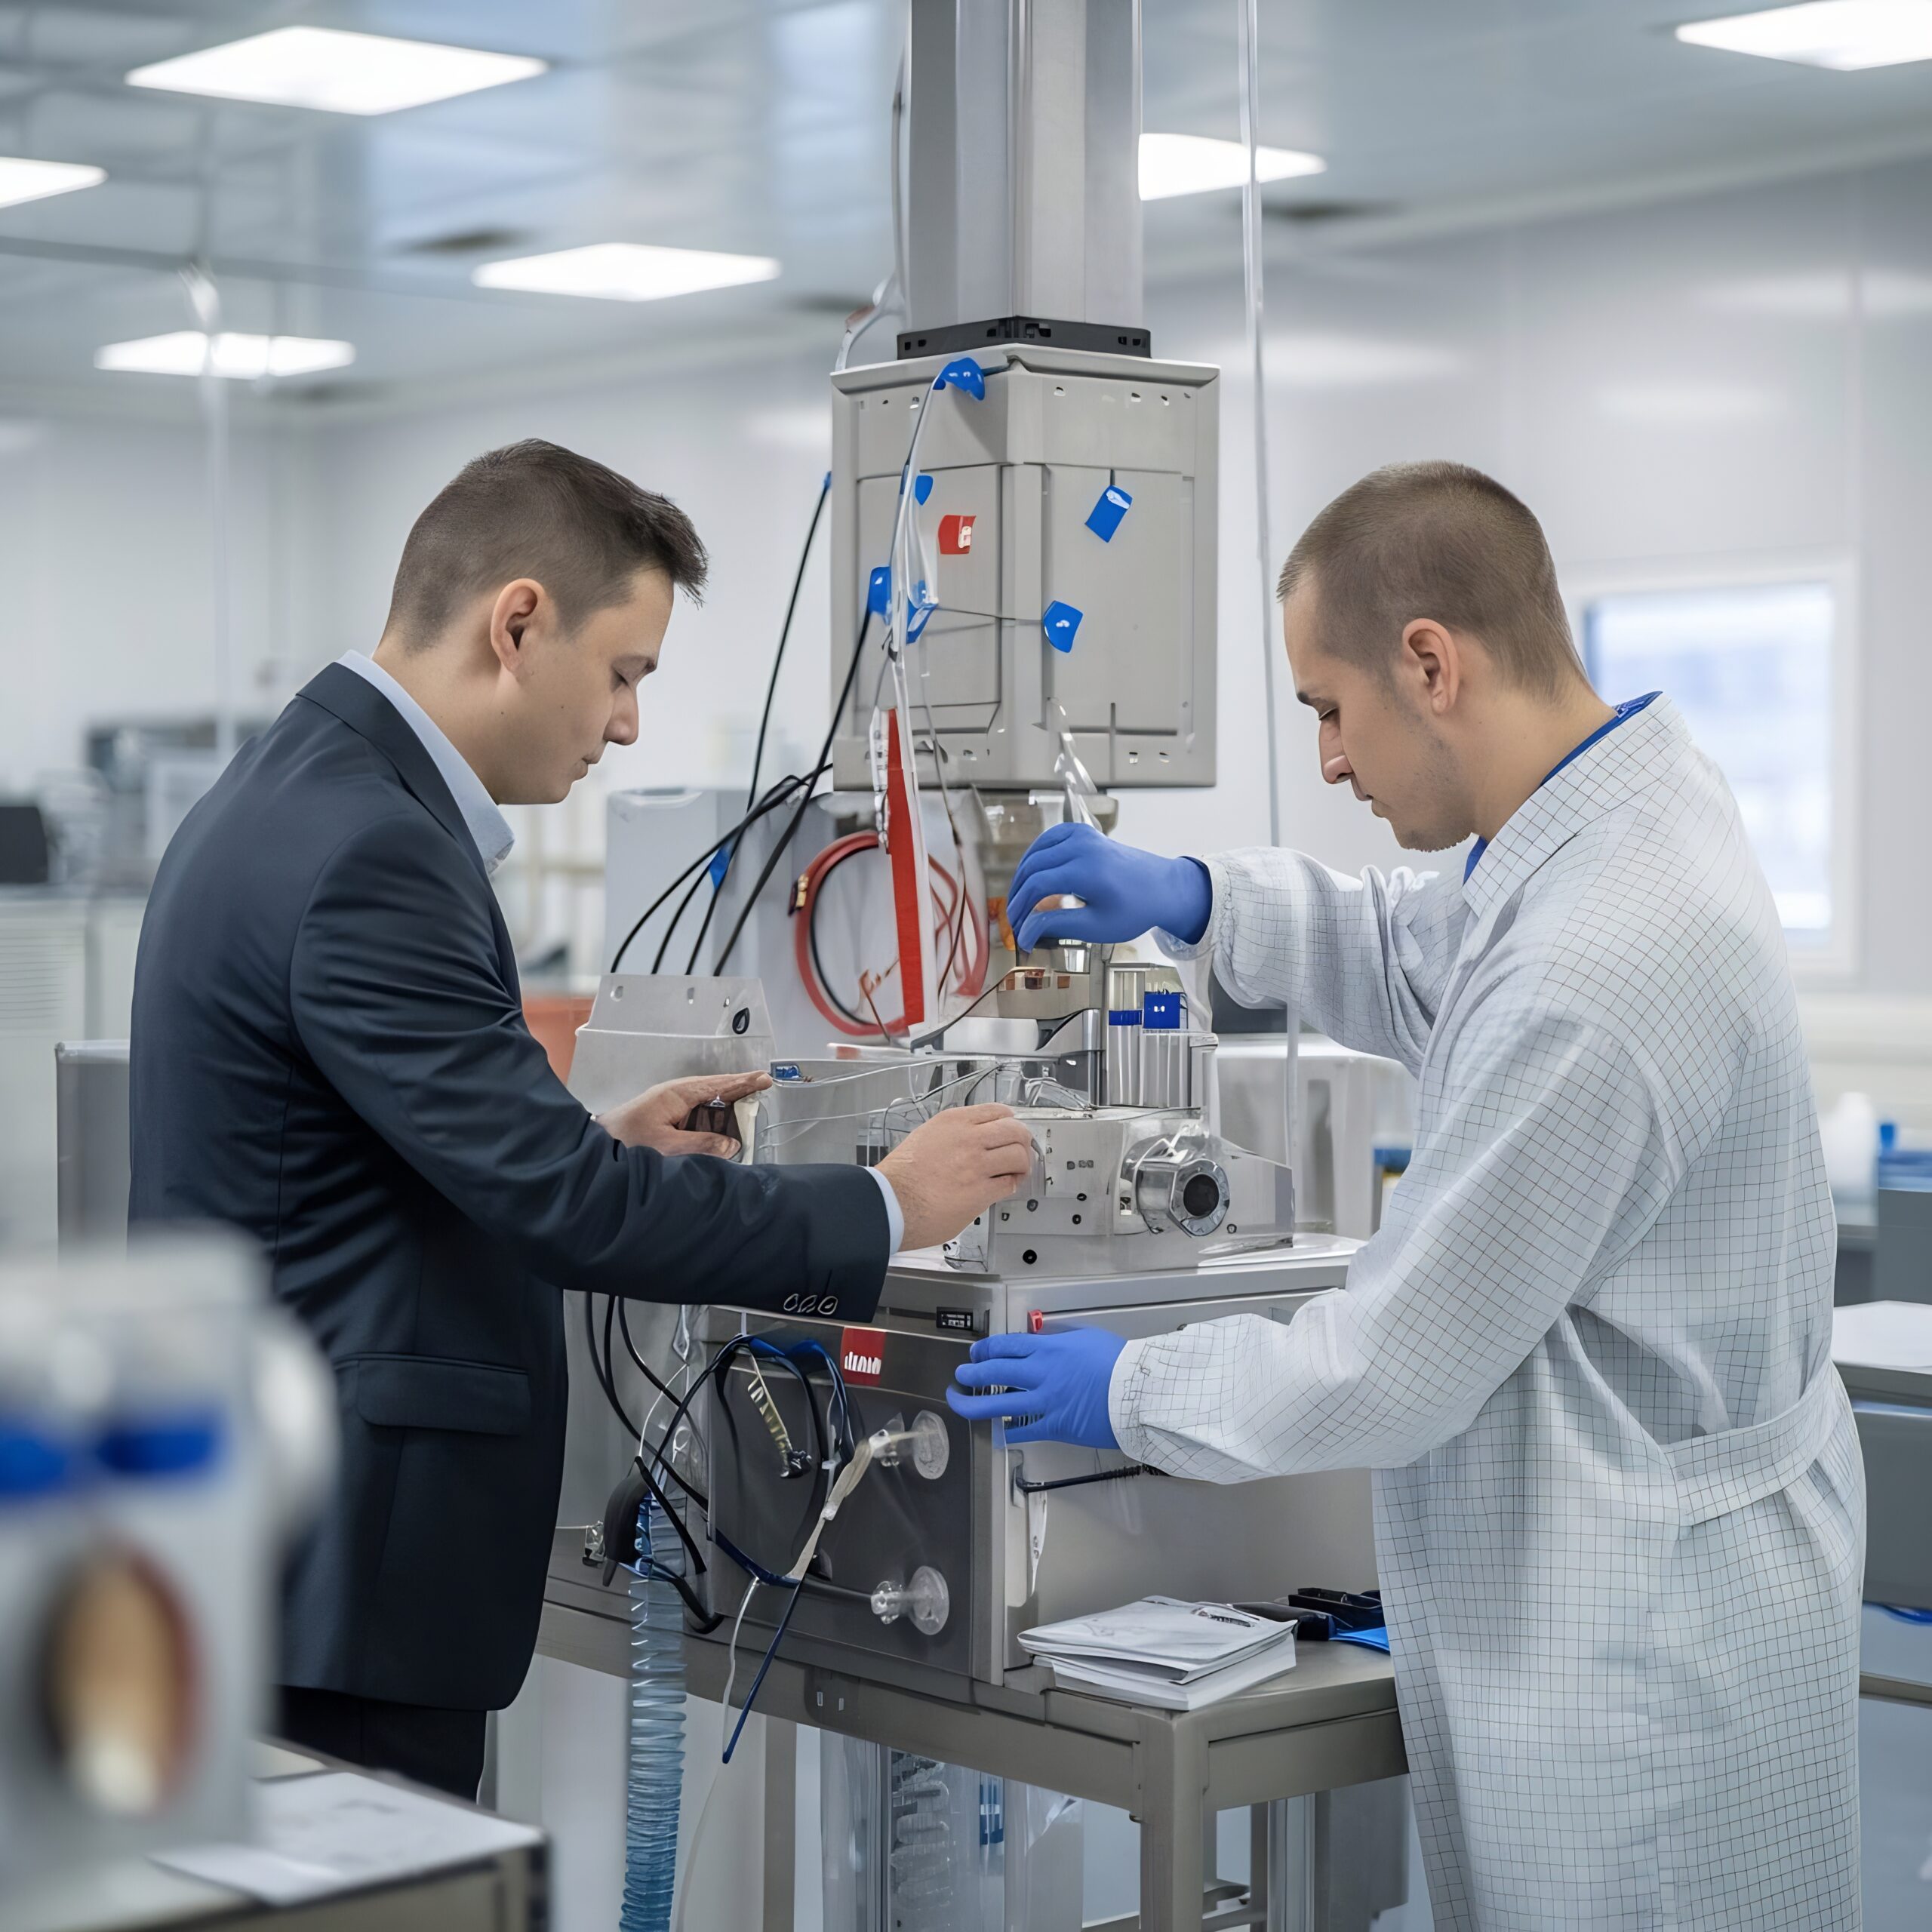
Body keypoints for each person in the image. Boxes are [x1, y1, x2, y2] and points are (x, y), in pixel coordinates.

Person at [952, 461, 1863, 1930]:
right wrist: (1194, 890)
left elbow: (1393, 1360)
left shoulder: (1598, 964)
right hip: (1639, 1580)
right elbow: (1415, 949)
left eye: (1327, 707)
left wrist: (1127, 1389)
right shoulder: (1596, 824)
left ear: (1428, 661)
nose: (1323, 758)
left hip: (1641, 1665)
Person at [131, 438, 1035, 1800]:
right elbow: (567, 1213)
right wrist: (891, 1204)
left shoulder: (286, 798)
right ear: (516, 624)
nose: (625, 727)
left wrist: (595, 1138)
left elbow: (362, 1164)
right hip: (344, 1579)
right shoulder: (377, 851)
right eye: (625, 674)